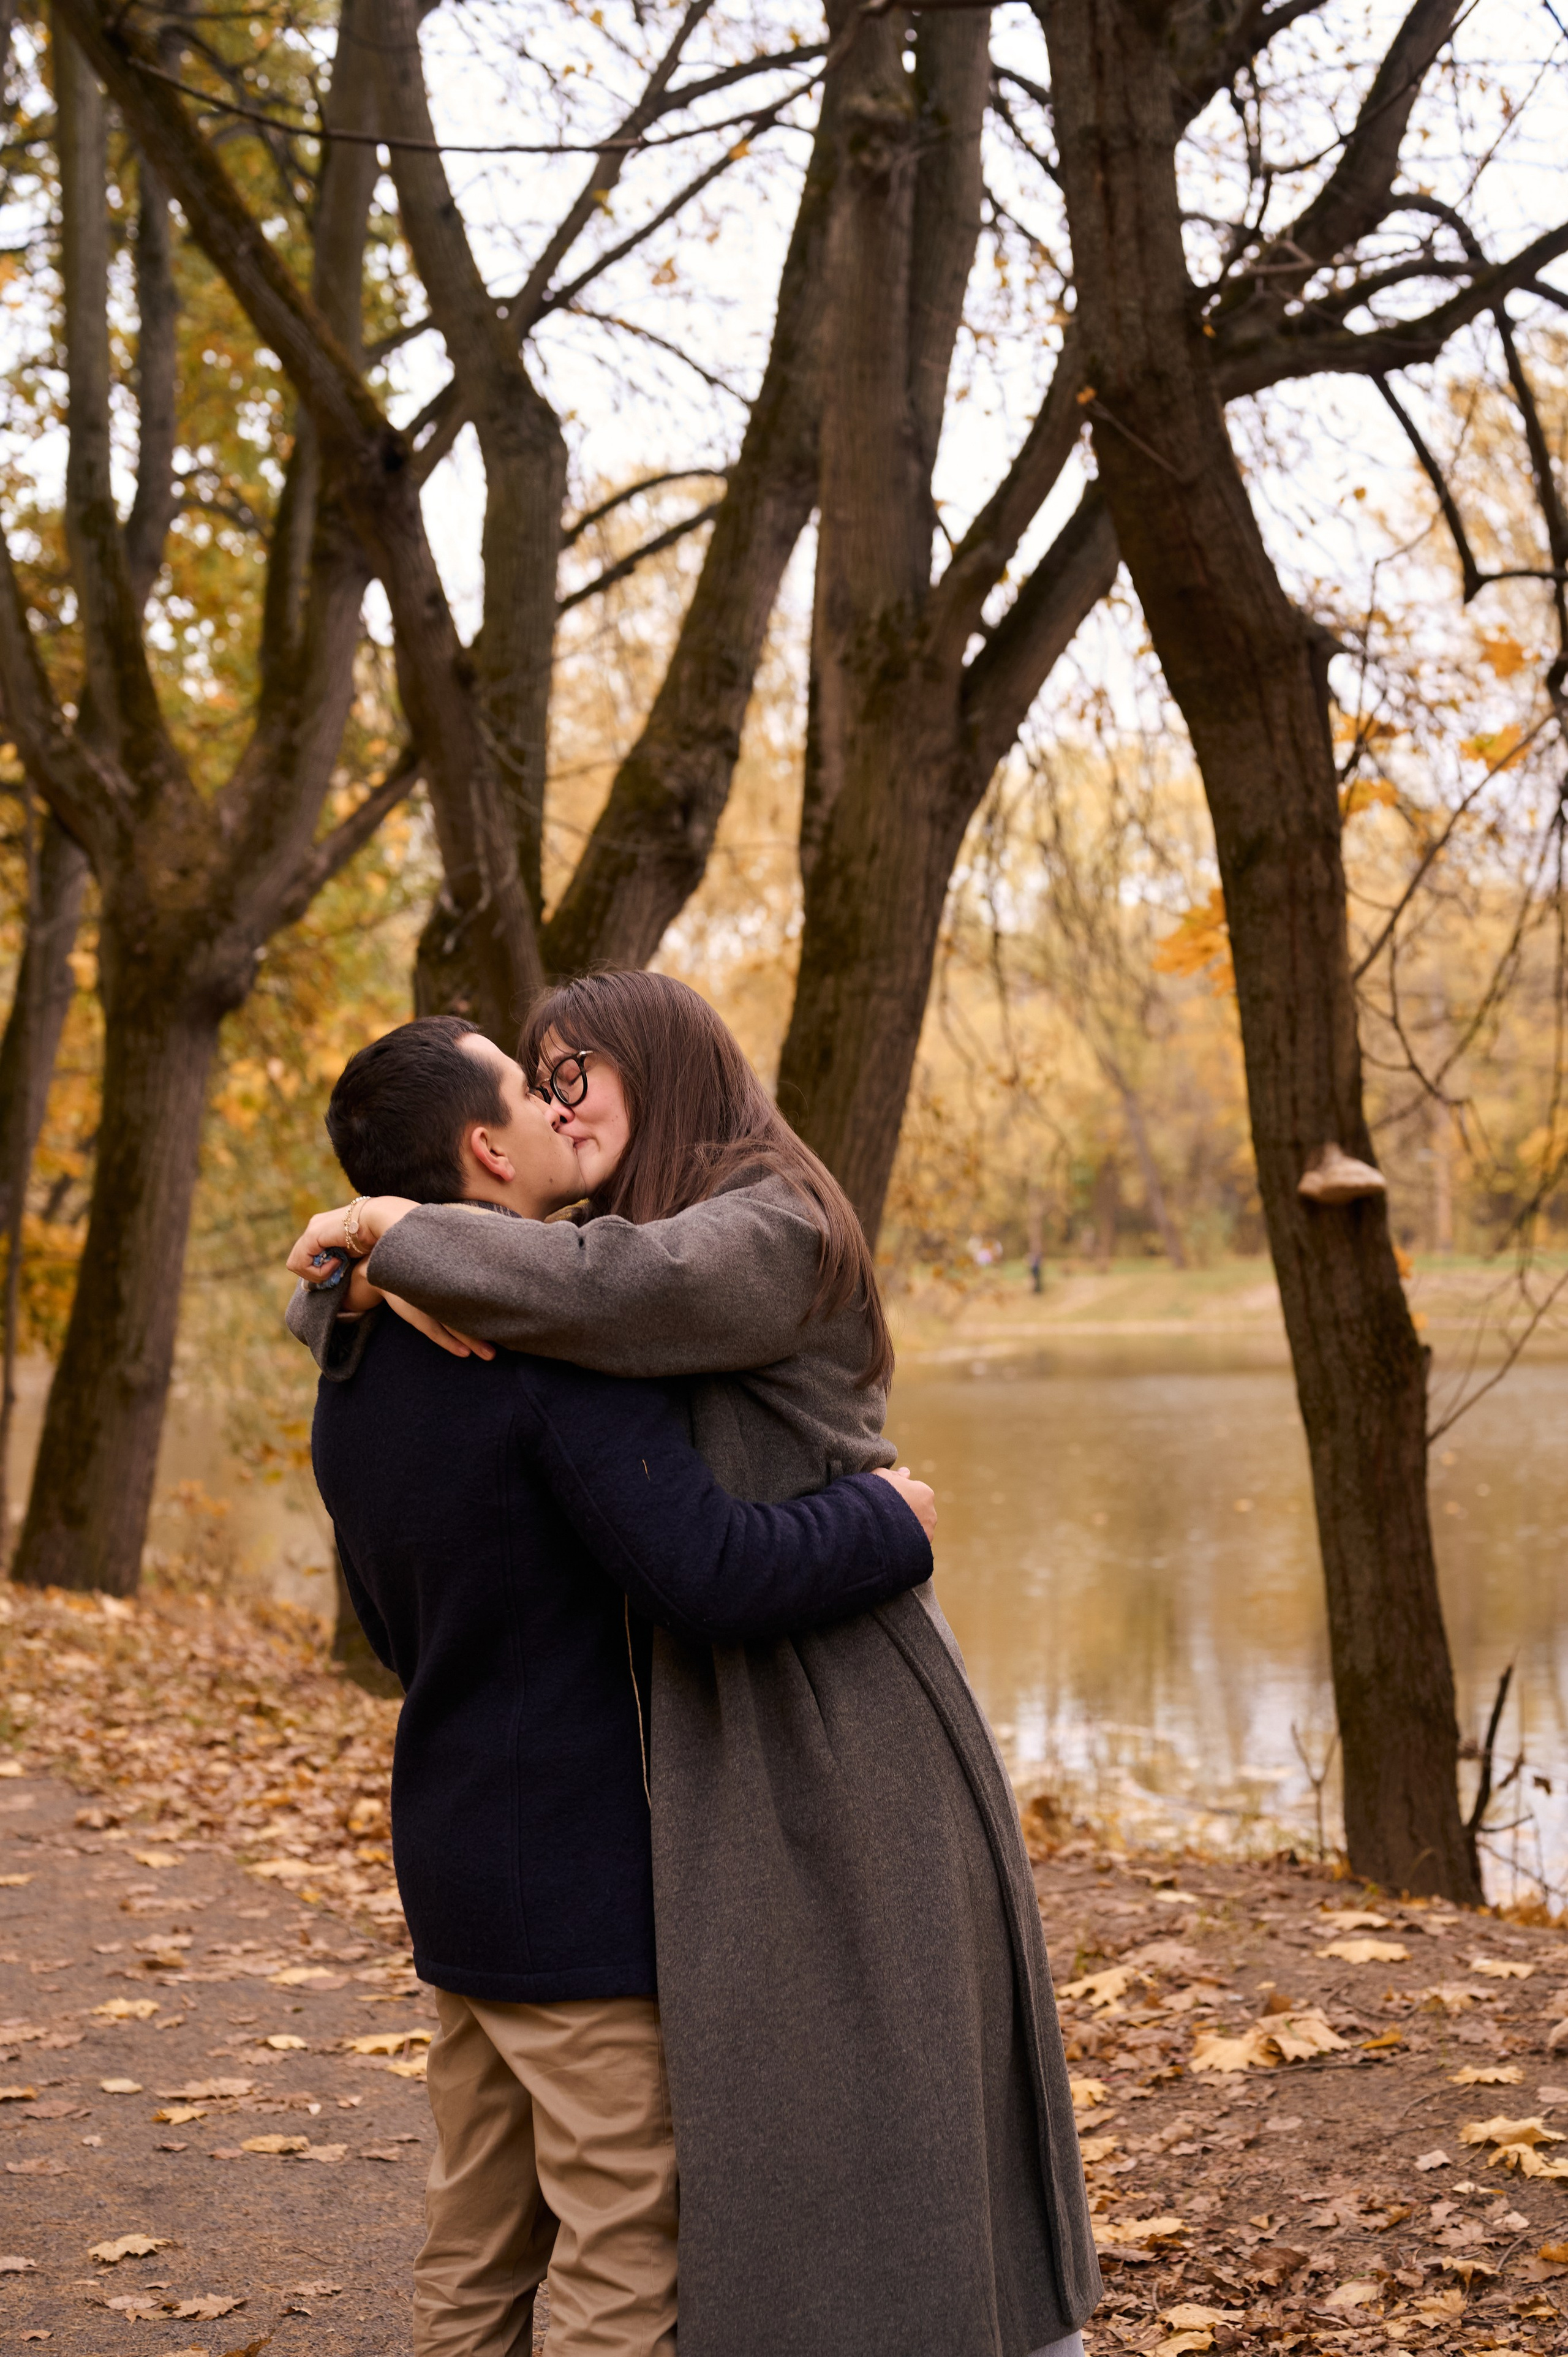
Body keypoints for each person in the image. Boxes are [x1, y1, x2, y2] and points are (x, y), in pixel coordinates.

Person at [289, 971, 1099, 2357]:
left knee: (517, 2215)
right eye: (534, 1083)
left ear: (659, 1065)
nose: (556, 1102)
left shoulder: (752, 1230)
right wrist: (883, 1520)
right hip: (633, 1800)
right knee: (622, 2225)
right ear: (486, 1148)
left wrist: (377, 1244)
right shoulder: (540, 1329)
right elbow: (698, 1562)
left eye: (577, 1071)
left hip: (817, 1726)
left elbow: (622, 1288)